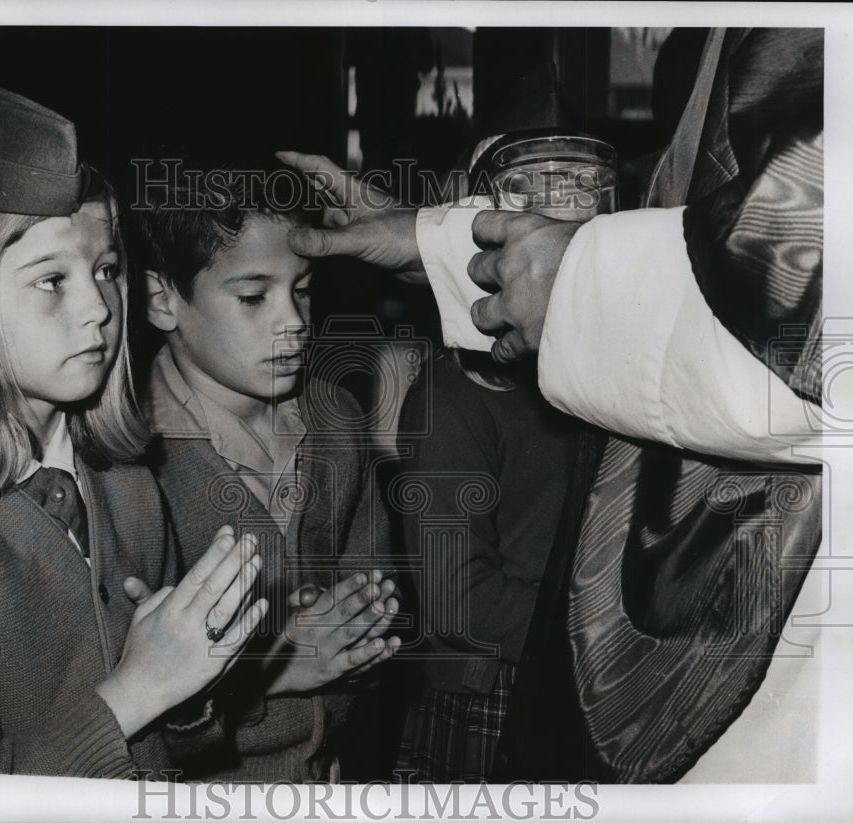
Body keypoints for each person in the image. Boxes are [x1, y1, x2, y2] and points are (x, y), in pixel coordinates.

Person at [278, 26, 824, 782]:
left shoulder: (586, 385)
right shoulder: (452, 402)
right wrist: (572, 620)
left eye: (576, 211)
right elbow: (455, 599)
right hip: (485, 703)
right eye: (525, 210)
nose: (550, 225)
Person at [0, 85, 267, 778]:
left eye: (107, 269)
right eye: (52, 280)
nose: (99, 306)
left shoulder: (127, 483)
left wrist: (187, 693)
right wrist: (137, 691)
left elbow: (177, 755)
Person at [127, 162, 400, 782]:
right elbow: (117, 705)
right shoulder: (127, 457)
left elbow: (377, 604)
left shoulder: (337, 419)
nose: (294, 322)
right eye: (254, 296)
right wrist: (276, 665)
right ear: (162, 300)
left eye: (301, 288)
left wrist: (361, 634)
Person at [394, 349, 580, 782]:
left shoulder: (566, 382)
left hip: (560, 667)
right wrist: (602, 627)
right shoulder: (451, 399)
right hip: (496, 685)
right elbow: (457, 600)